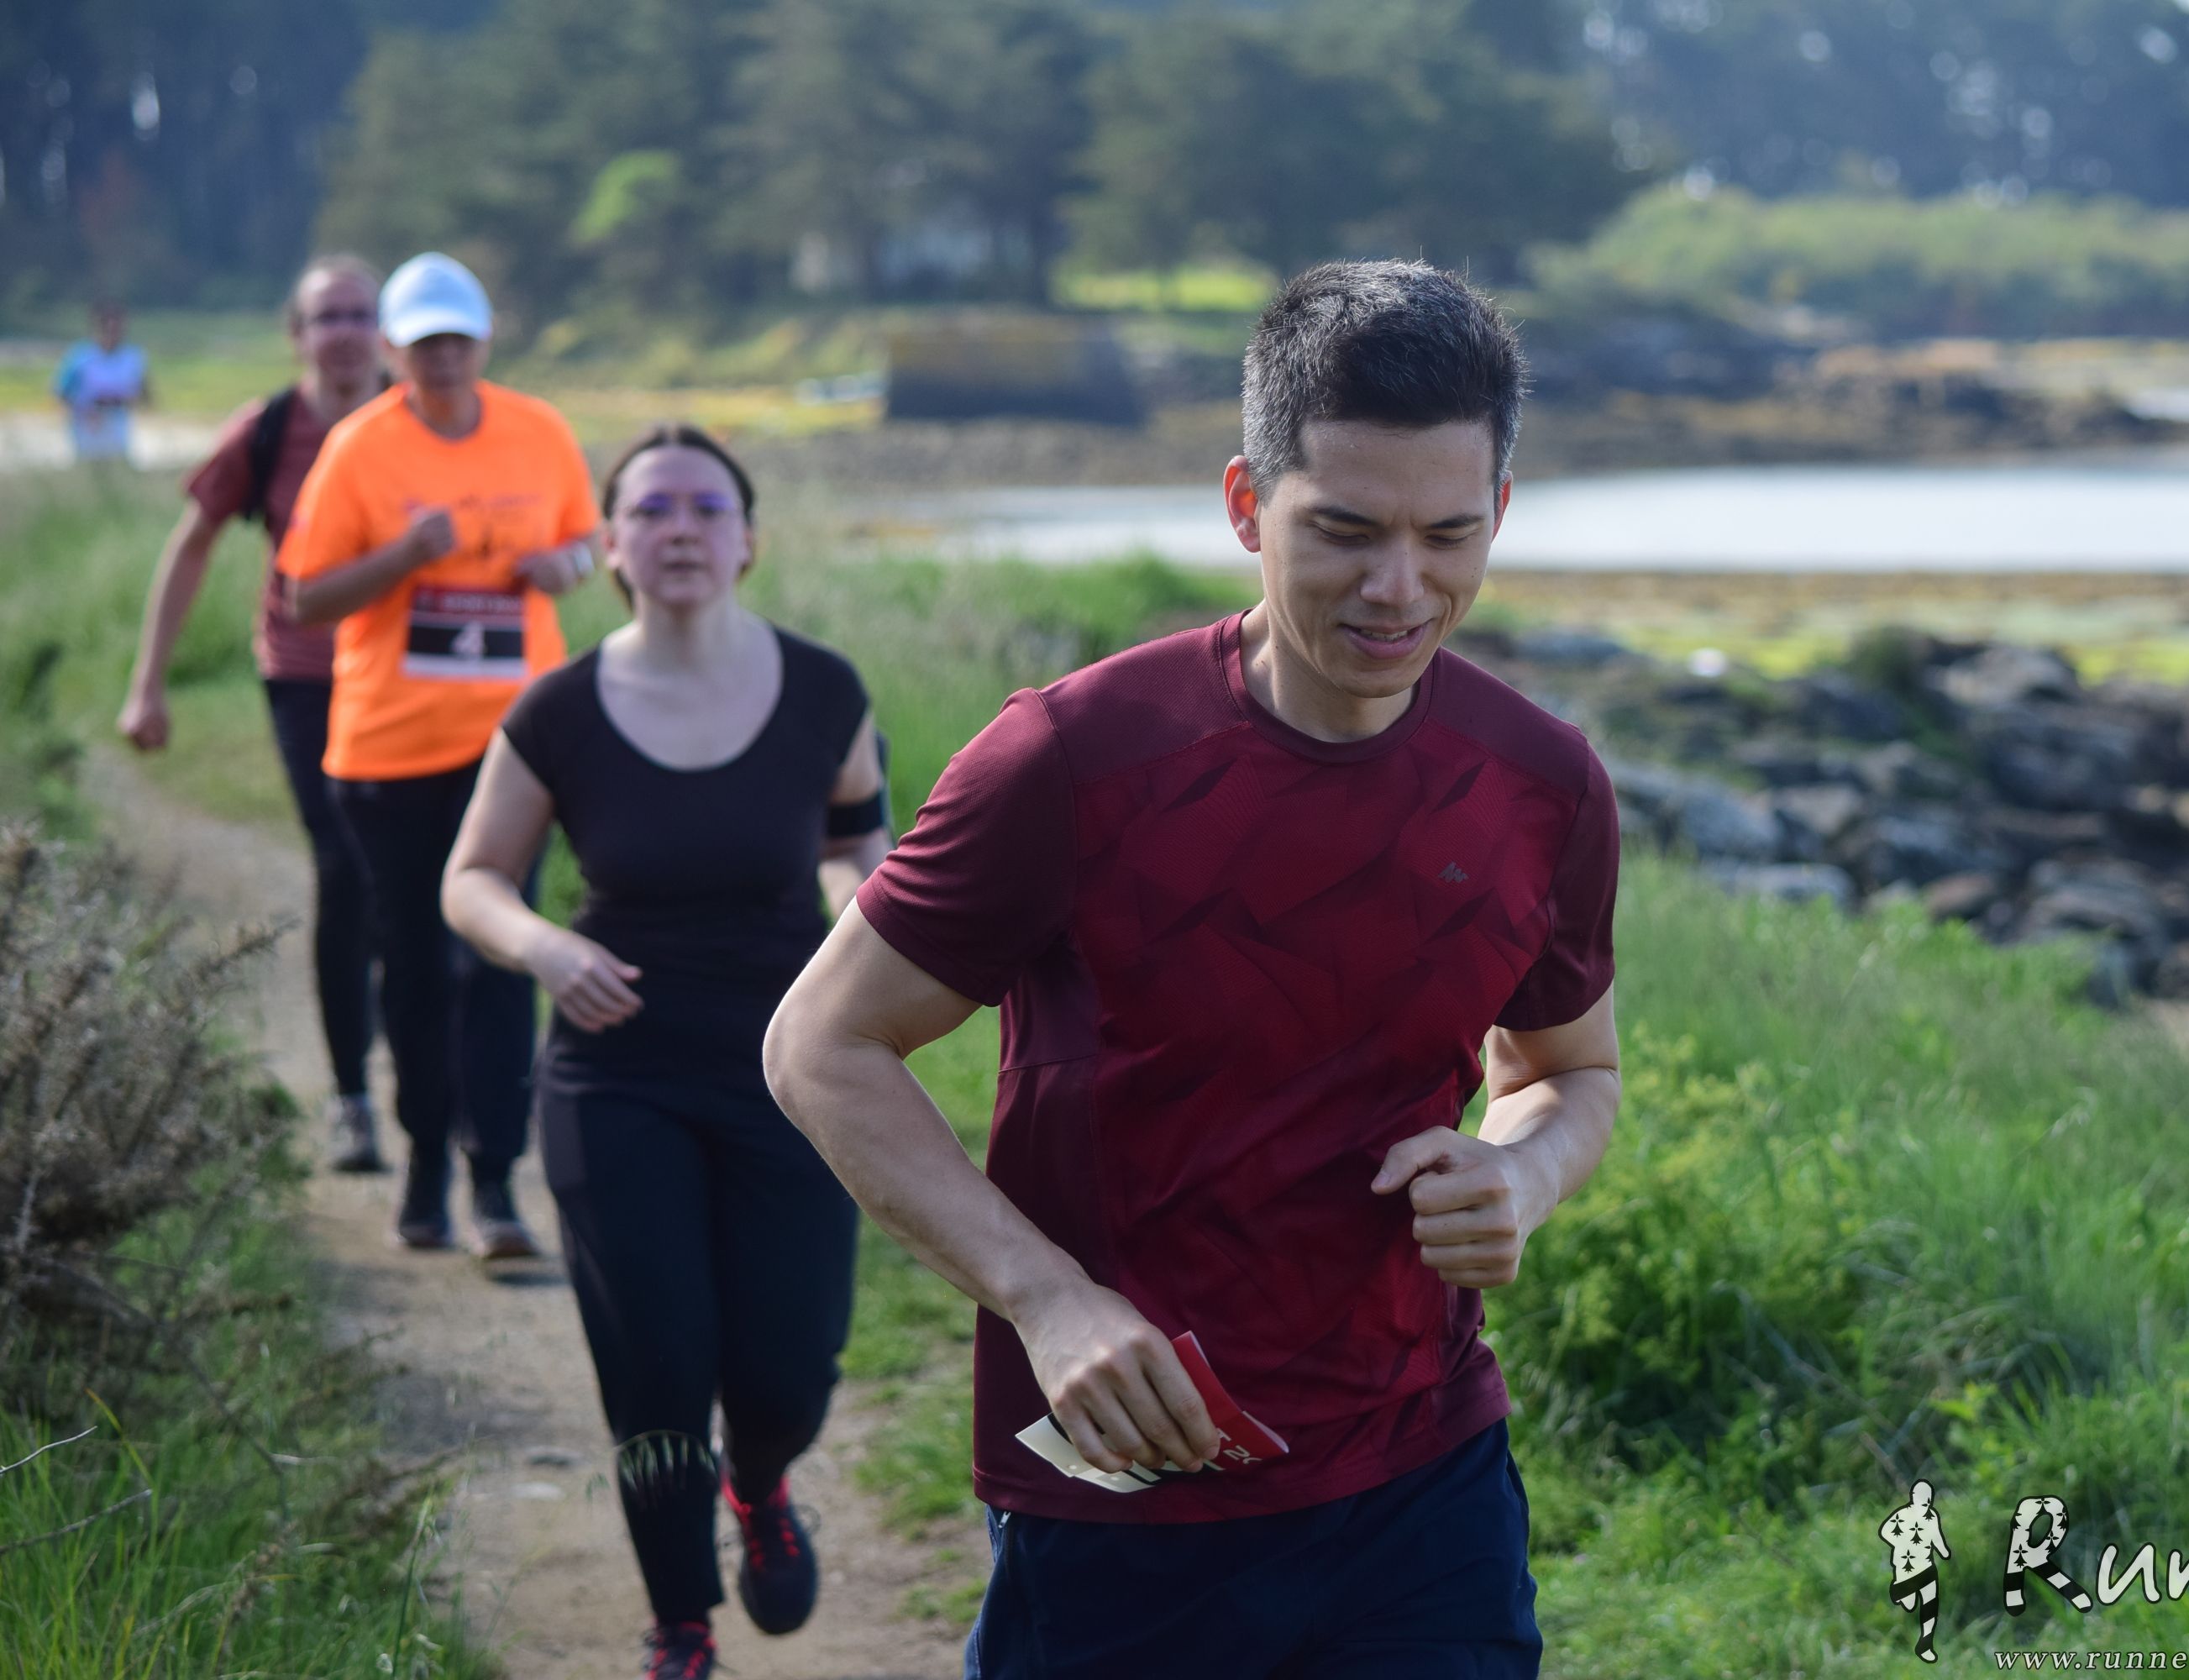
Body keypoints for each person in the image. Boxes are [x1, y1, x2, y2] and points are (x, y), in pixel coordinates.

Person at [764, 260, 1624, 1678]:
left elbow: (1567, 1070)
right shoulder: (1070, 759)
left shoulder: (1543, 784)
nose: (1399, 588)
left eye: (1447, 535)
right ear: (1244, 504)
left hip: (1424, 1481)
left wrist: (1521, 1174)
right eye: (1343, 530)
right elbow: (819, 1045)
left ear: (1499, 513)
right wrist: (1045, 1298)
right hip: (1126, 1494)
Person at [443, 425, 890, 1680]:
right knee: (657, 1359)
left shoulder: (824, 691)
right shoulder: (559, 711)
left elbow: (855, 846)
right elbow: (472, 878)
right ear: (610, 548)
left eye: (705, 507)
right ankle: (680, 1623)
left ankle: (761, 1477)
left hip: (790, 1070)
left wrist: (863, 922)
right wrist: (545, 949)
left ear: (748, 540)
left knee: (789, 1366)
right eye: (650, 510)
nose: (680, 528)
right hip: (615, 1071)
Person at [277, 250, 599, 1258]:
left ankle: (495, 1178)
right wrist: (405, 556)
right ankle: (423, 1165)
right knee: (417, 962)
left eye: (458, 339)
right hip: (389, 750)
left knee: (503, 957)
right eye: (424, 344)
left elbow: (590, 542)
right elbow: (305, 596)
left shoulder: (539, 431)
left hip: (516, 745)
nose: (444, 358)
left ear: (485, 340)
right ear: (394, 350)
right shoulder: (360, 448)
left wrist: (565, 564)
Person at [118, 255, 392, 1173]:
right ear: (297, 334)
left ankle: (408, 1034)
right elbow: (191, 543)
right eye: (327, 316)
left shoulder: (417, 417)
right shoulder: (268, 429)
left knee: (409, 878)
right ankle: (352, 1099)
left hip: (412, 684)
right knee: (345, 863)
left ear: (384, 329)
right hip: (307, 675)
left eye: (360, 314)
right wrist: (148, 683)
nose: (345, 331)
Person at [54, 301, 151, 463]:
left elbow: (145, 392)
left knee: (117, 463)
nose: (111, 334)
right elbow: (62, 391)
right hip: (87, 421)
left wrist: (134, 401)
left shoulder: (132, 357)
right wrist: (83, 411)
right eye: (107, 328)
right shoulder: (81, 356)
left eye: (116, 329)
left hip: (118, 419)